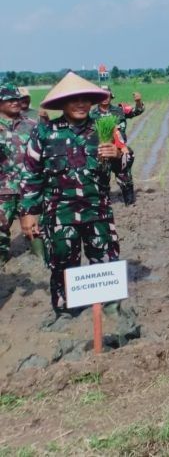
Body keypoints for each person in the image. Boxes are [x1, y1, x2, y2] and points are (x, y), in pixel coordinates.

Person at [19, 72, 126, 313]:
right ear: (62, 104)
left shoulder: (105, 129)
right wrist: (29, 212)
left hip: (97, 211)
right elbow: (31, 173)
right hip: (60, 213)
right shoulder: (45, 132)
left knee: (105, 259)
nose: (80, 104)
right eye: (73, 100)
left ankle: (110, 308)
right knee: (62, 263)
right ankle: (65, 310)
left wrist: (118, 155)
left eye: (85, 99)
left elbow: (126, 163)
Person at [0, 84, 43, 265]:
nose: (15, 102)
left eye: (16, 99)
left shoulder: (32, 125)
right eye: (9, 99)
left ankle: (40, 262)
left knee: (36, 232)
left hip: (29, 190)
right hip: (2, 191)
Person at [89, 86, 144, 205]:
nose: (104, 98)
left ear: (111, 96)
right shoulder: (92, 115)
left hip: (120, 151)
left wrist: (138, 101)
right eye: (101, 95)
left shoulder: (120, 110)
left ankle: (129, 203)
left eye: (107, 95)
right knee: (102, 180)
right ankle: (103, 205)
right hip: (102, 153)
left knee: (125, 178)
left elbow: (137, 111)